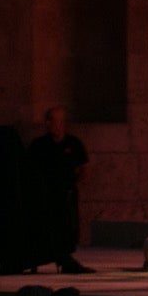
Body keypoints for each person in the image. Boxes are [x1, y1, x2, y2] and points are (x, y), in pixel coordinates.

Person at [27, 106, 93, 274]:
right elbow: (29, 169)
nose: (58, 126)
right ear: (47, 123)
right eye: (54, 122)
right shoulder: (39, 145)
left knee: (68, 227)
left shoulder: (73, 143)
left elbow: (84, 167)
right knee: (47, 226)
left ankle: (65, 258)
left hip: (66, 193)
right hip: (46, 194)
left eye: (60, 122)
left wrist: (73, 184)